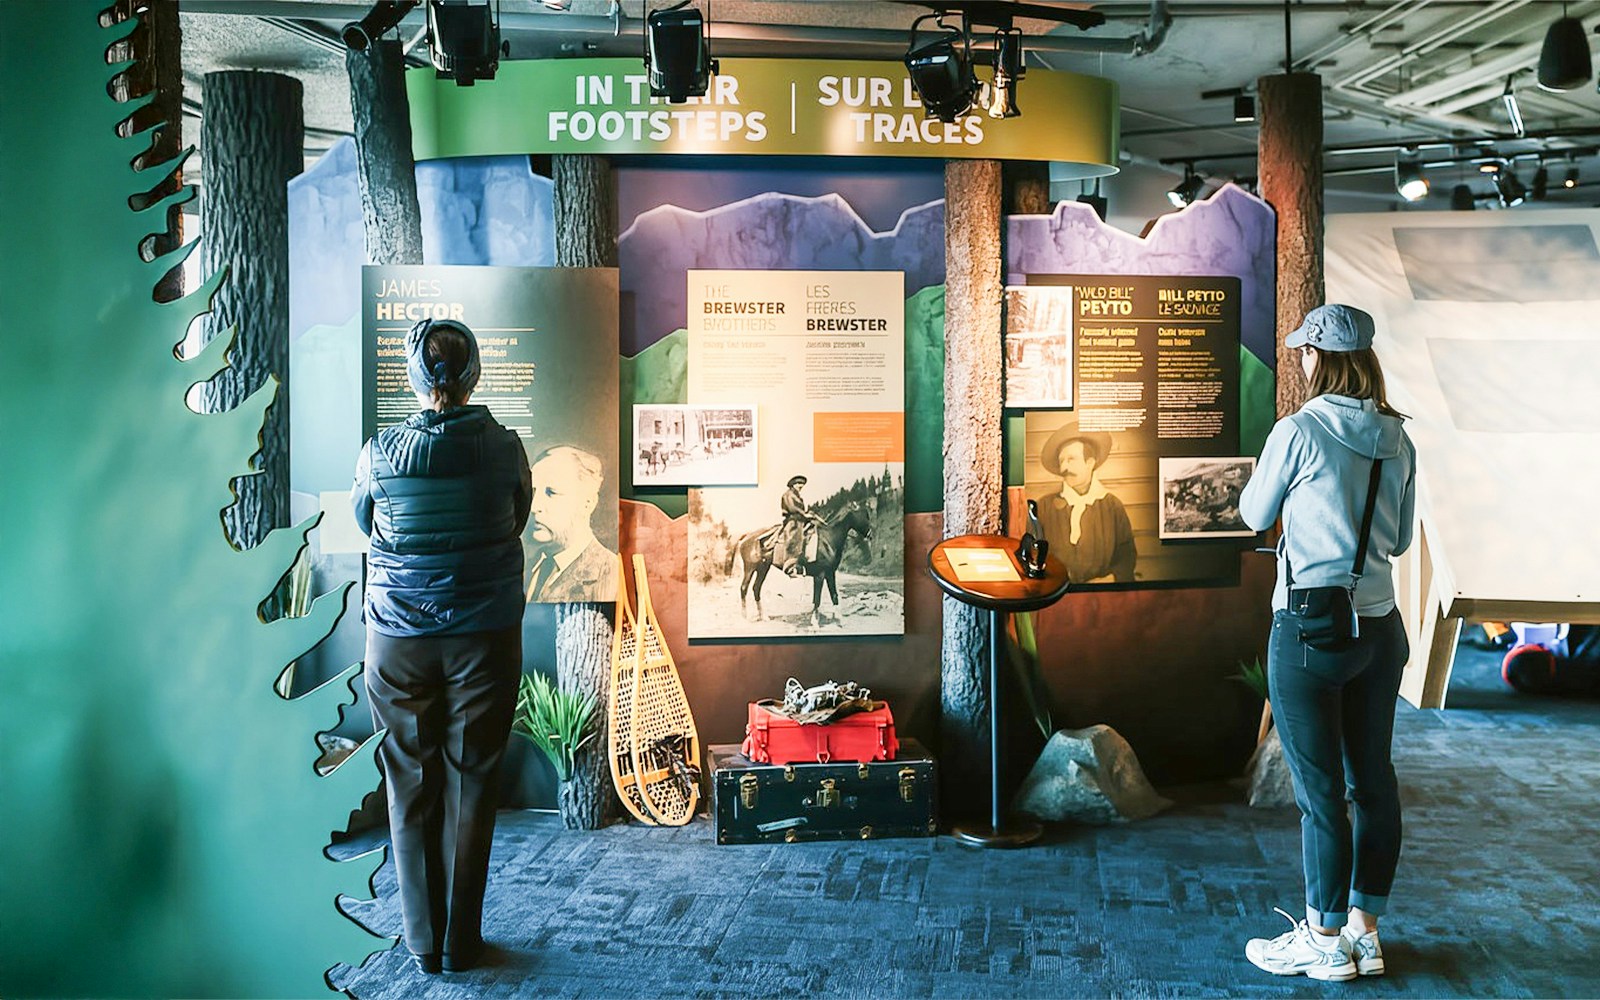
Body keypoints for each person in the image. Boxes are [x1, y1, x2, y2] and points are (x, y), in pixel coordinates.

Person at [1237, 303, 1417, 982]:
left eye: (1304, 352)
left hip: (1312, 628)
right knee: (1372, 782)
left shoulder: (1300, 428)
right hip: (1380, 626)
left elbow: (1256, 512)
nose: (1302, 362)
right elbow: (1397, 540)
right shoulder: (1398, 436)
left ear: (1318, 356)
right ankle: (1364, 936)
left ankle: (1321, 938)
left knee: (1319, 795)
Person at [351, 318, 531, 975]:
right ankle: (461, 942)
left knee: (409, 783)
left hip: (396, 639)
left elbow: (365, 521)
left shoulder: (380, 450)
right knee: (471, 782)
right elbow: (518, 516)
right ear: (474, 372)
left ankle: (423, 944)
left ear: (414, 377)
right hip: (483, 634)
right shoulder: (505, 447)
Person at [1034, 427, 1136, 583]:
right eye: (1062, 461)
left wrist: (1110, 580)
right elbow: (1033, 555)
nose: (1064, 468)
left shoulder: (1111, 506)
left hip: (1103, 598)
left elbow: (1126, 557)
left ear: (1090, 463)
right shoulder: (1044, 507)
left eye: (1071, 459)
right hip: (1056, 598)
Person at [525, 444, 619, 603]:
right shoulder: (528, 566)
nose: (534, 507)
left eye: (552, 493)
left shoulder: (608, 571)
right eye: (533, 492)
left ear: (587, 503)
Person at [776, 474, 821, 577]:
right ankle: (790, 566)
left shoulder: (797, 496)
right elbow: (792, 508)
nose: (801, 486)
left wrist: (808, 515)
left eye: (802, 484)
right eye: (798, 483)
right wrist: (805, 514)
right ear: (793, 484)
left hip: (800, 520)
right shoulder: (788, 495)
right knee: (794, 538)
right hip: (793, 522)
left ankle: (806, 561)